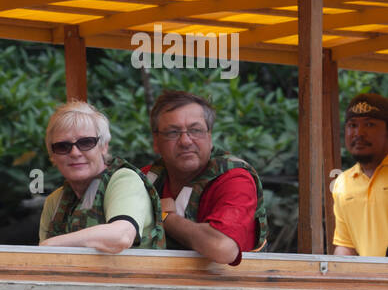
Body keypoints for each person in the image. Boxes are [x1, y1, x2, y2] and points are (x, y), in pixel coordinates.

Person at [142, 90, 267, 265]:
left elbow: (222, 248)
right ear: (156, 141)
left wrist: (163, 216)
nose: (185, 141)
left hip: (233, 289)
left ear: (210, 136)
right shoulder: (146, 177)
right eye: (172, 132)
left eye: (196, 130)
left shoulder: (235, 179)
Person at [39, 100, 163, 253]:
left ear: (104, 146)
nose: (75, 153)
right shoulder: (55, 200)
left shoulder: (124, 180)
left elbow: (121, 236)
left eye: (86, 142)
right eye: (62, 146)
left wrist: (50, 245)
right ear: (53, 155)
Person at [331, 92, 388, 256]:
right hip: (369, 281)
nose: (359, 133)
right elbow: (346, 246)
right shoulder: (342, 183)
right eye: (352, 125)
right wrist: (337, 276)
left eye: (369, 125)